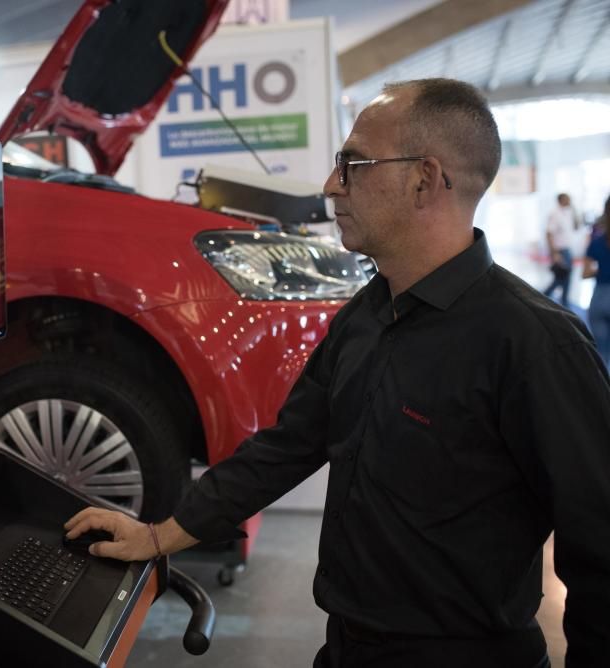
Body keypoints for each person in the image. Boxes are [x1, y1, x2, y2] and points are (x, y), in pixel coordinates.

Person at [65, 78, 610, 668]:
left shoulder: (534, 344)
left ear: (424, 179)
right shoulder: (369, 313)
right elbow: (290, 444)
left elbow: (602, 549)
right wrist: (161, 533)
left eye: (352, 163)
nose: (331, 185)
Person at [584, 198, 610, 368]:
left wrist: (603, 269)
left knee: (602, 357)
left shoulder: (596, 241)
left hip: (599, 298)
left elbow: (585, 273)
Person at [542, 193, 579, 306]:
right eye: (568, 199)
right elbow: (548, 234)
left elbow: (577, 226)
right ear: (561, 200)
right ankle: (544, 297)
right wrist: (554, 253)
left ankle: (563, 302)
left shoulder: (568, 213)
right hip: (560, 251)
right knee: (561, 278)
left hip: (567, 249)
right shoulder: (555, 214)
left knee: (565, 278)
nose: (570, 201)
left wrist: (574, 210)